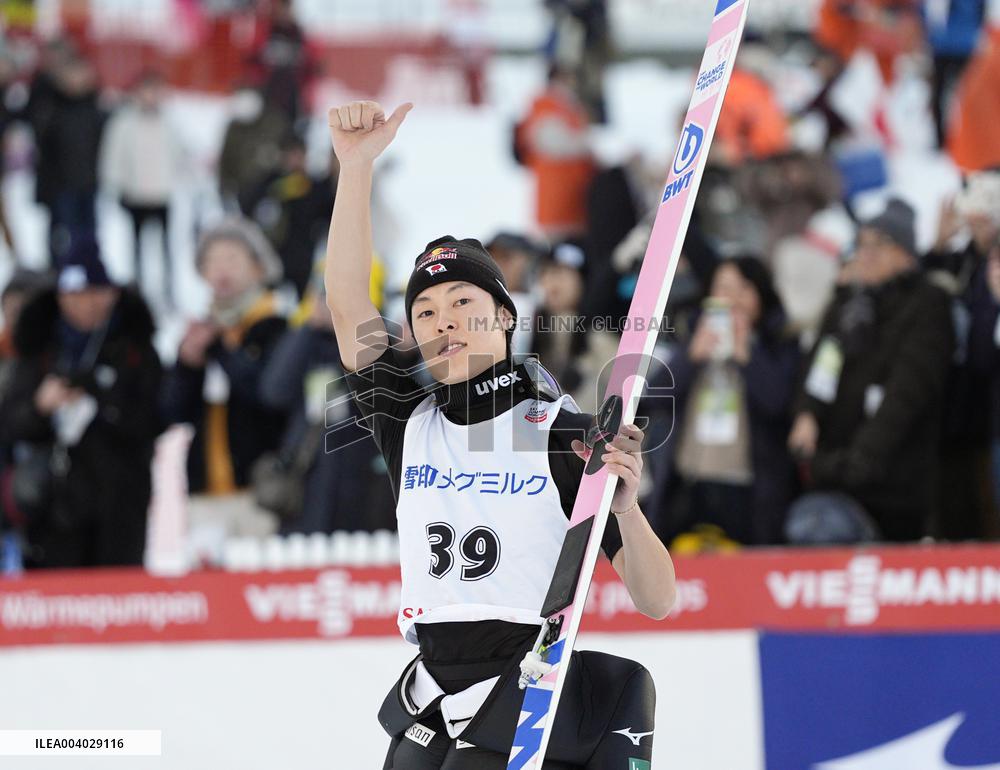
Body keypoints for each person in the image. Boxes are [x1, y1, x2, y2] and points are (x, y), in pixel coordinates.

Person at [326, 100, 675, 769]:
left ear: (506, 318)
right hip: (431, 690)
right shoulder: (407, 419)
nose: (443, 320)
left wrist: (625, 508)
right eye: (425, 310)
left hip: (523, 693)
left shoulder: (564, 432)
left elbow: (658, 600)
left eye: (463, 303)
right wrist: (356, 168)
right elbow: (347, 305)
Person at [788, 198, 955, 542]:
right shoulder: (848, 303)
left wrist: (851, 465)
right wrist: (807, 413)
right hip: (835, 478)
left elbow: (905, 397)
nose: (865, 253)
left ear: (906, 254)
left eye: (879, 244)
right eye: (861, 244)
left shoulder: (927, 304)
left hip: (893, 492)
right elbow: (820, 365)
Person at [0, 237, 162, 568]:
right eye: (73, 295)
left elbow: (155, 417)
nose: (84, 304)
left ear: (111, 293)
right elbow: (10, 423)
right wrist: (40, 407)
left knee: (119, 601)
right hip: (54, 505)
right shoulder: (39, 346)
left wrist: (100, 398)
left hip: (120, 503)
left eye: (93, 293)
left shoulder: (134, 346)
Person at [646, 257, 800, 547]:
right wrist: (691, 357)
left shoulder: (781, 344)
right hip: (689, 484)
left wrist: (747, 355)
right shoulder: (693, 341)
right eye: (723, 288)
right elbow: (653, 398)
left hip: (748, 491)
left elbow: (778, 403)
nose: (731, 299)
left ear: (761, 295)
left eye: (743, 288)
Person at [160, 217, 288, 500]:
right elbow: (172, 411)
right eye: (212, 261)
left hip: (263, 490)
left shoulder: (274, 327)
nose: (221, 270)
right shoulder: (203, 331)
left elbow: (267, 395)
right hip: (205, 488)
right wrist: (187, 363)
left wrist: (220, 347)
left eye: (231, 258)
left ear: (258, 267)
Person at [99, 69, 183, 308]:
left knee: (166, 247)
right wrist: (117, 185)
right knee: (137, 248)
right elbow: (113, 157)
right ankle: (138, 290)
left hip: (162, 195)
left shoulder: (168, 122)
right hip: (135, 196)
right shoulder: (124, 122)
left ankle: (169, 290)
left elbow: (178, 154)